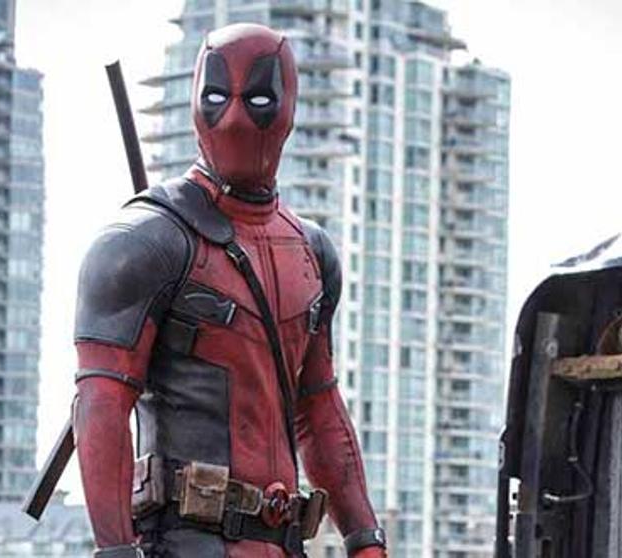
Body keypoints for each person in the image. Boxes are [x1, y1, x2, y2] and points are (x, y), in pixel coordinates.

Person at [72, 23, 387, 558]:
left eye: (258, 99)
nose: (236, 119)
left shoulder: (312, 252)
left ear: (288, 106)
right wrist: (117, 552)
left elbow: (319, 407)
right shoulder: (143, 242)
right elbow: (101, 404)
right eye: (218, 97)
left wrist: (365, 539)